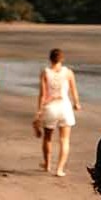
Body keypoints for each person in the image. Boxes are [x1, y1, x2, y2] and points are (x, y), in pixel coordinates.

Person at [34, 48, 80, 176]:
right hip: (64, 106)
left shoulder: (45, 72)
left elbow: (42, 94)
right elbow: (73, 90)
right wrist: (76, 103)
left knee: (47, 138)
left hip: (50, 107)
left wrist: (39, 110)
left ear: (50, 59)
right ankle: (60, 169)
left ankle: (47, 164)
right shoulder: (68, 72)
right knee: (64, 139)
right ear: (62, 59)